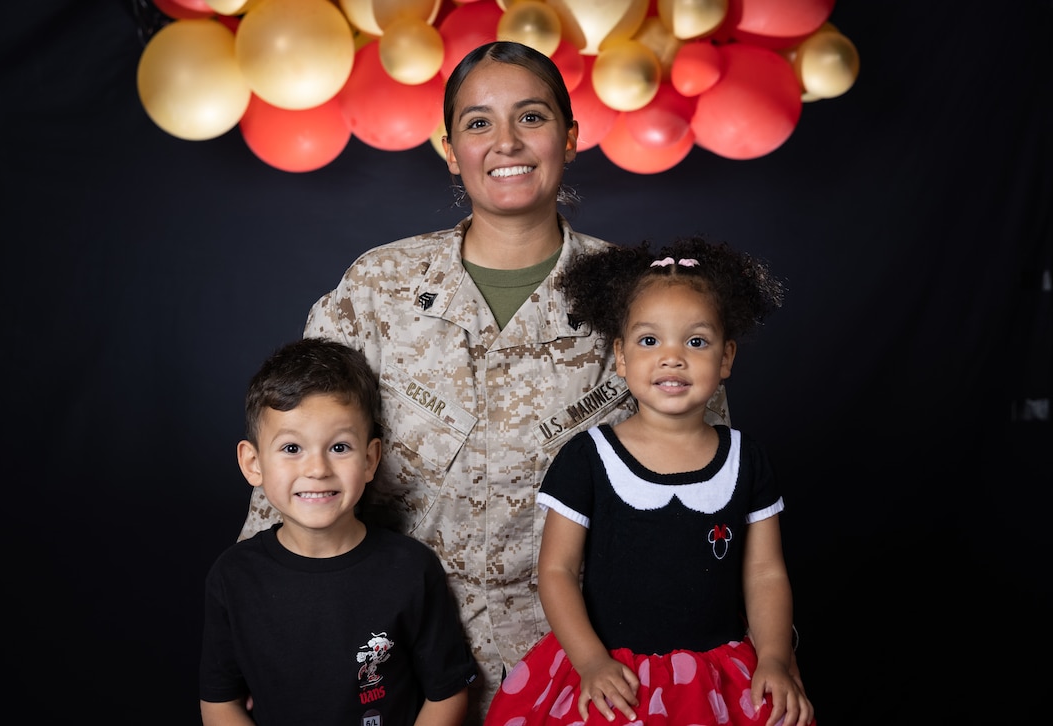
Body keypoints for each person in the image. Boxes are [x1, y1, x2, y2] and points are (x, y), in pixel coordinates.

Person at [236, 41, 730, 722]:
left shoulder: (640, 301)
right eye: (478, 123)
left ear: (570, 136)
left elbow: (709, 492)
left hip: (584, 669)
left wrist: (756, 653)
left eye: (531, 117)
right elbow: (291, 454)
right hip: (391, 661)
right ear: (449, 147)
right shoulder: (379, 289)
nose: (506, 143)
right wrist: (260, 624)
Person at [484, 236, 815, 726]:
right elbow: (555, 572)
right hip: (614, 674)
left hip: (715, 676)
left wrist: (773, 658)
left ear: (726, 358)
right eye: (649, 340)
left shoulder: (747, 459)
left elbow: (765, 573)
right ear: (620, 357)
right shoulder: (589, 458)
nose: (672, 357)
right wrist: (591, 661)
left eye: (696, 342)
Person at [200, 338, 478, 725]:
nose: (317, 469)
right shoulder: (234, 577)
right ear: (253, 463)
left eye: (340, 447)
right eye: (292, 448)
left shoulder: (411, 570)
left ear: (370, 459)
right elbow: (220, 702)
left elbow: (447, 694)